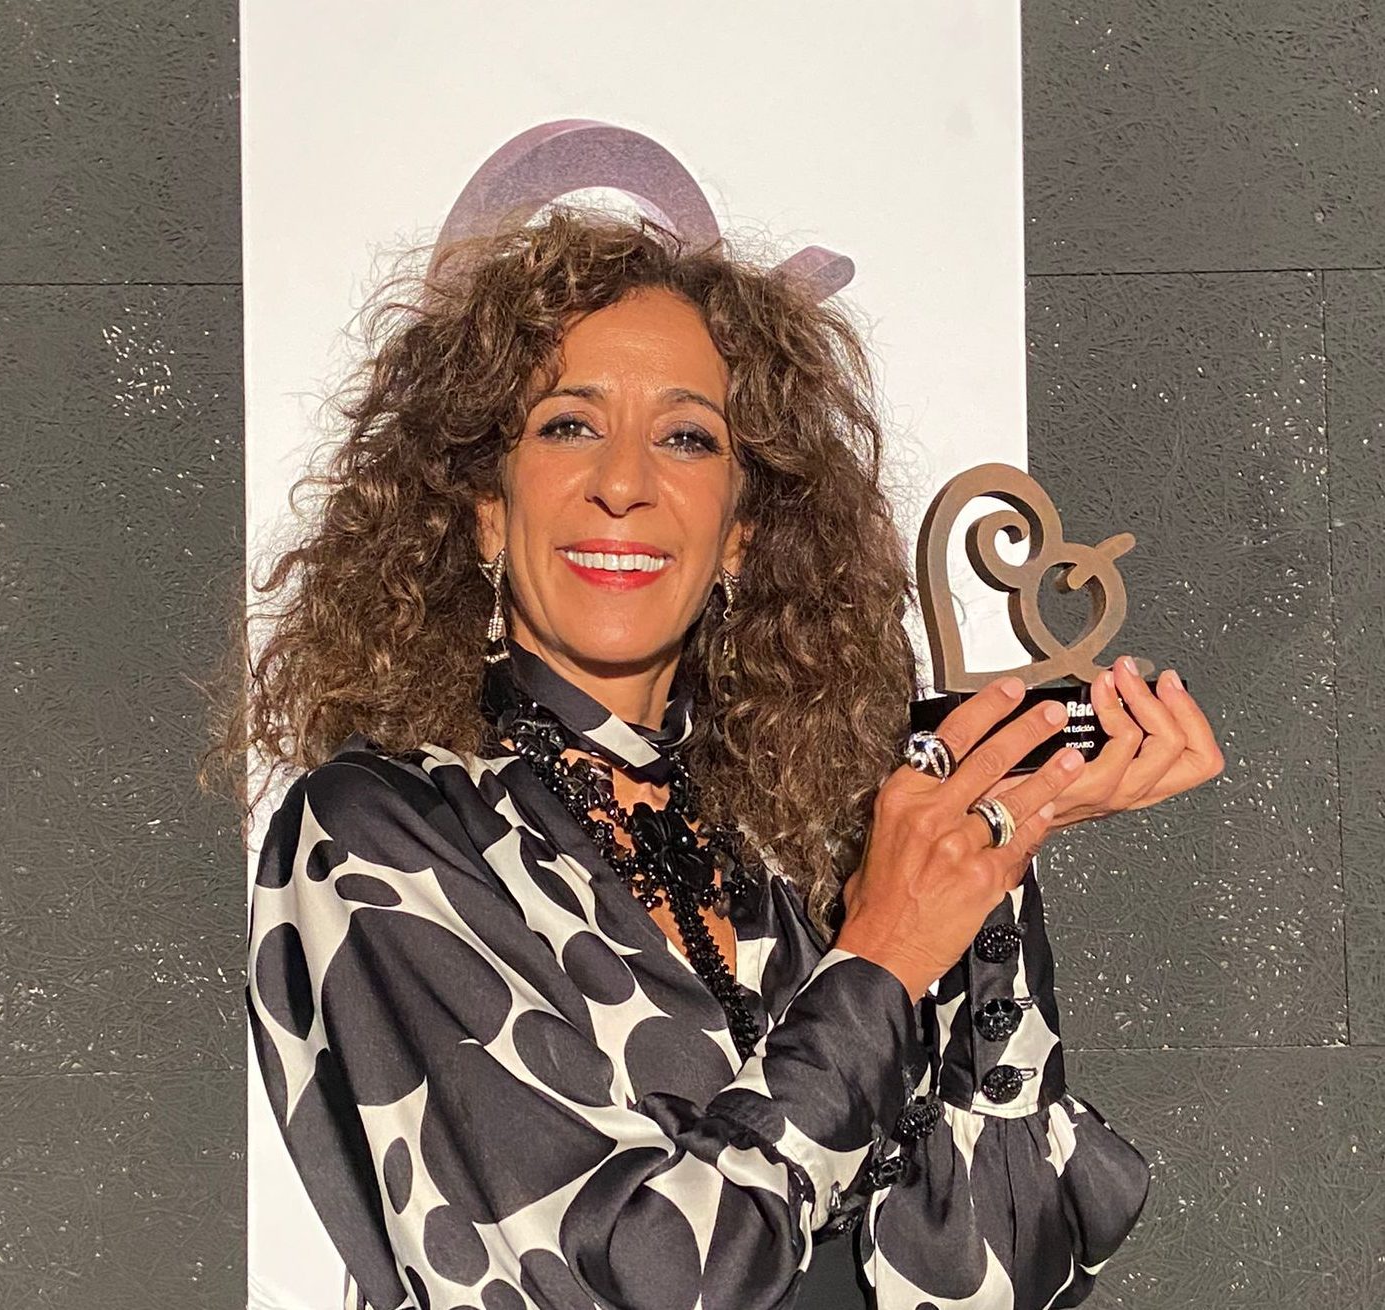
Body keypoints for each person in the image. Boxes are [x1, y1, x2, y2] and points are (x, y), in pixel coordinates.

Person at [213, 209, 1224, 1310]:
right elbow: (635, 1280)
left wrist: (987, 852)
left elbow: (987, 1266)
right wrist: (883, 956)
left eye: (688, 438)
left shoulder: (787, 837)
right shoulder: (381, 831)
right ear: (487, 509)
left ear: (742, 528)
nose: (623, 482)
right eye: (567, 426)